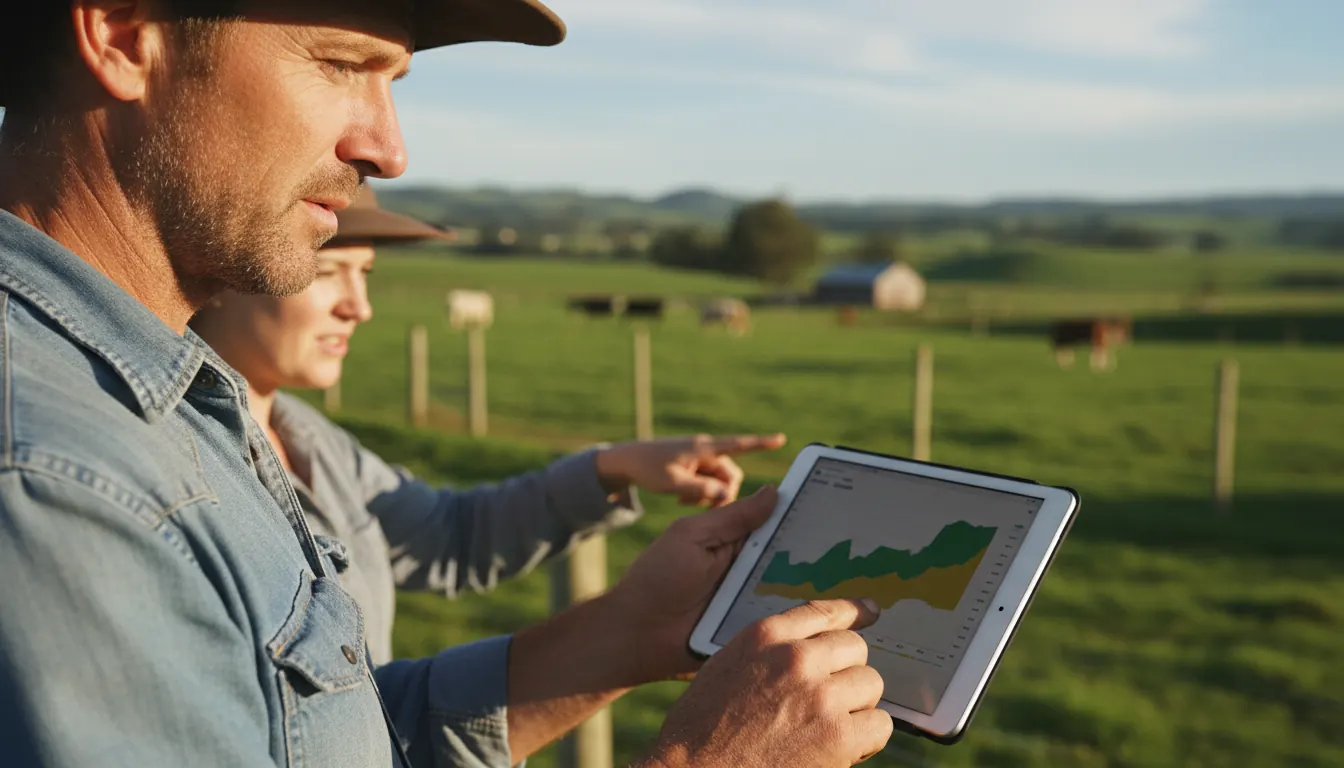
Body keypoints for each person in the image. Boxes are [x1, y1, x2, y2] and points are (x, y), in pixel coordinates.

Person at [0, 3, 895, 768]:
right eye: (341, 65)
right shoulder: (58, 480)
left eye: (394, 81)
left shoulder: (166, 400)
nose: (387, 148)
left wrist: (628, 629)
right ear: (122, 35)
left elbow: (304, 735)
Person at [189, 185, 789, 665]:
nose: (360, 307)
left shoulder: (305, 434)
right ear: (216, 277)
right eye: (327, 274)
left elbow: (447, 536)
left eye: (365, 274)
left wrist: (613, 467)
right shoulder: (184, 473)